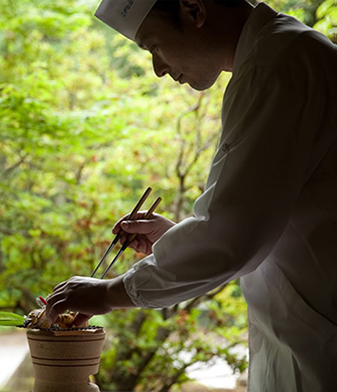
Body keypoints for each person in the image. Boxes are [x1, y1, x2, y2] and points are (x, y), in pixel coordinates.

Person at [44, 0, 337, 390]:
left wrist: (109, 293)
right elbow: (259, 223)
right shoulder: (282, 54)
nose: (159, 68)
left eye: (153, 46)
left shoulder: (278, 65)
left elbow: (231, 239)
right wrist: (180, 239)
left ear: (194, 10)